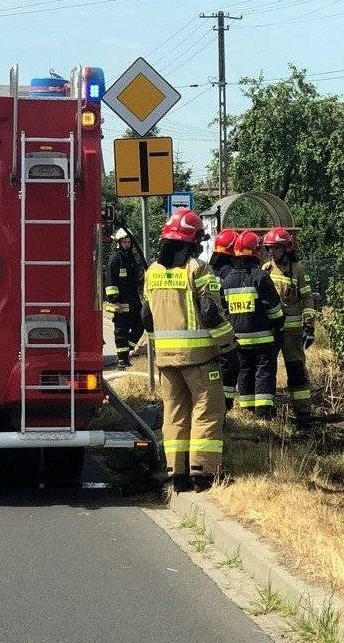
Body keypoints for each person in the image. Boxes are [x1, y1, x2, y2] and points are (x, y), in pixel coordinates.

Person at [140, 208, 235, 493]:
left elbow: (146, 316)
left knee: (174, 412)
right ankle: (202, 473)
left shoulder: (152, 273)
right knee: (207, 410)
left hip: (166, 360)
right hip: (200, 358)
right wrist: (228, 343)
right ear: (192, 240)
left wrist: (158, 345)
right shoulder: (199, 269)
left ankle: (176, 472)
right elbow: (209, 311)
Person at [221, 230, 284, 419]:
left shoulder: (228, 280)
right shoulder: (261, 277)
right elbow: (274, 310)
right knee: (264, 371)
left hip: (239, 341)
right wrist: (279, 328)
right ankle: (264, 413)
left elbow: (224, 311)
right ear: (256, 252)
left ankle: (248, 410)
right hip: (263, 339)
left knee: (245, 371)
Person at [262, 227, 317, 429]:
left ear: (286, 248)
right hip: (270, 331)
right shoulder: (266, 269)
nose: (272, 252)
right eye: (269, 248)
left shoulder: (298, 270)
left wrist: (309, 326)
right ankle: (266, 413)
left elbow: (308, 298)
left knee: (296, 371)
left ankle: (303, 414)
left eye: (275, 248)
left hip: (292, 333)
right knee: (267, 370)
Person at [104, 228, 145, 369]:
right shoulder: (115, 259)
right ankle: (122, 361)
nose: (127, 244)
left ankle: (126, 353)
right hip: (121, 304)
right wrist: (115, 301)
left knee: (140, 326)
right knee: (121, 332)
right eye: (124, 242)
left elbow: (136, 279)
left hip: (134, 302)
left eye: (129, 242)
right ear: (119, 243)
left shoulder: (132, 259)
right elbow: (110, 281)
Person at [210, 229, 240, 410]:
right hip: (224, 325)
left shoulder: (209, 268)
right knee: (230, 364)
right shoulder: (230, 272)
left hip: (208, 327)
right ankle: (226, 403)